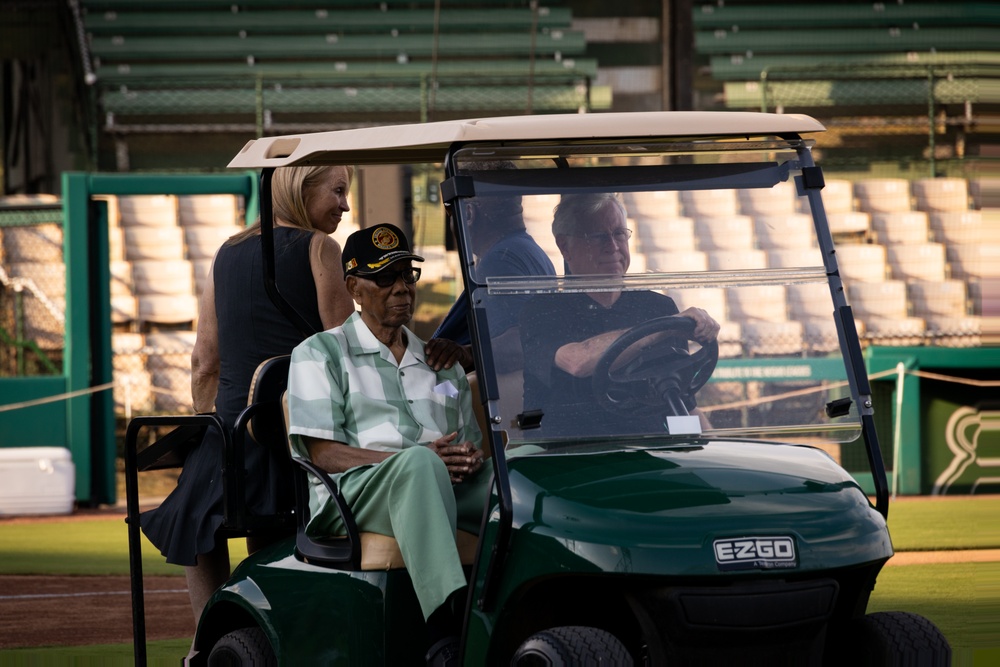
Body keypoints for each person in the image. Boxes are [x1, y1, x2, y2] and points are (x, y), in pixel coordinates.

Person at [140, 165, 357, 636]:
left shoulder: (225, 253)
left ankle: (206, 640)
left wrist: (212, 432)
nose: (345, 205)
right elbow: (348, 355)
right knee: (274, 537)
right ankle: (270, 635)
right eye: (338, 191)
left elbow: (204, 360)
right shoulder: (321, 248)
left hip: (231, 431)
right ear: (302, 188)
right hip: (295, 432)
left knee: (196, 517)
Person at [286, 223, 488, 667]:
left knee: (514, 475)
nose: (401, 289)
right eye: (384, 278)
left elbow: (471, 447)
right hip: (353, 495)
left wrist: (469, 458)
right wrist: (419, 459)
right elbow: (323, 455)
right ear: (354, 288)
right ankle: (444, 633)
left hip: (435, 481)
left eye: (407, 276)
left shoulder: (441, 363)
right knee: (419, 465)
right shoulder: (320, 354)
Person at [519, 192, 720, 435]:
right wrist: (664, 328)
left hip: (650, 452)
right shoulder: (542, 311)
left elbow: (679, 400)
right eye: (598, 236)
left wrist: (705, 449)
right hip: (569, 455)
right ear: (565, 246)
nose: (613, 247)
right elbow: (577, 361)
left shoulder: (658, 308)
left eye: (619, 234)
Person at [427, 160, 556, 373]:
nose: (451, 218)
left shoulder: (500, 260)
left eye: (451, 210)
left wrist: (466, 354)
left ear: (467, 214)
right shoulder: (528, 252)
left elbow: (521, 345)